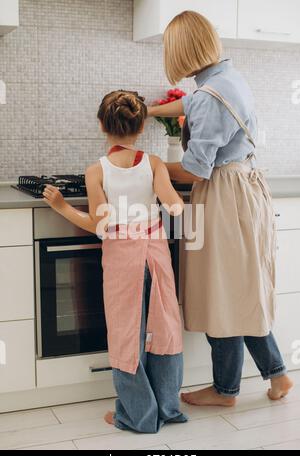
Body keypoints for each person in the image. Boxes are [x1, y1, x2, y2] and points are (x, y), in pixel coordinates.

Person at [148, 10, 293, 406]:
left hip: (224, 194)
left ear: (180, 50)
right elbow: (196, 106)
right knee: (242, 289)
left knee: (222, 292)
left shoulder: (208, 96)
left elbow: (196, 168)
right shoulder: (226, 78)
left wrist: (154, 166)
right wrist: (147, 110)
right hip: (243, 189)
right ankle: (278, 376)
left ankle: (225, 390)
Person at [43, 90, 188, 433]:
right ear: (141, 127)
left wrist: (63, 207)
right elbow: (173, 204)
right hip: (155, 253)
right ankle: (167, 409)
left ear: (100, 125)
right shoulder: (153, 163)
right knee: (164, 327)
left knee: (126, 334)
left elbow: (97, 224)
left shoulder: (97, 171)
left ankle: (137, 415)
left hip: (122, 258)